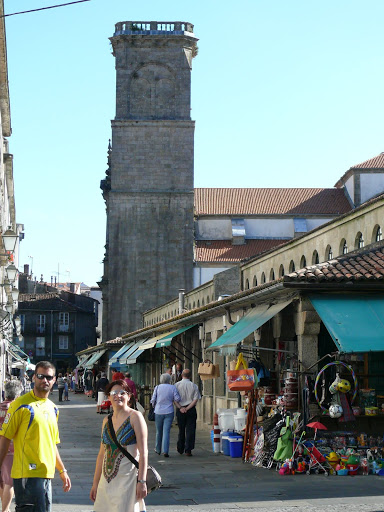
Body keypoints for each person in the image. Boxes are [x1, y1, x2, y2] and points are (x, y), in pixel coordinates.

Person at [0, 361, 71, 512]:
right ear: (33, 378)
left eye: (48, 377)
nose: (44, 380)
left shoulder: (53, 408)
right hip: (26, 474)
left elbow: (52, 444)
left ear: (54, 380)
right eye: (40, 376)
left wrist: (62, 470)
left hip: (46, 475)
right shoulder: (19, 405)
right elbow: (5, 438)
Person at [90, 380, 148, 512]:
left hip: (127, 481)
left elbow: (144, 453)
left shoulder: (135, 417)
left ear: (129, 396)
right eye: (114, 393)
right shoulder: (106, 421)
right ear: (108, 397)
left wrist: (142, 482)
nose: (118, 396)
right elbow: (101, 454)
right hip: (106, 483)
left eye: (122, 392)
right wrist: (95, 483)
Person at [0, 380, 22, 512]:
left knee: (2, 481)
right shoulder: (16, 409)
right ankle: (5, 509)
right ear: (18, 394)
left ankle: (5, 509)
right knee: (9, 482)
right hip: (10, 449)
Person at [150, 373, 181, 458]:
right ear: (169, 379)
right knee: (166, 432)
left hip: (158, 411)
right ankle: (165, 451)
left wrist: (154, 405)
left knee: (158, 431)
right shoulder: (172, 387)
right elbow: (177, 399)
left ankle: (158, 449)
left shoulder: (157, 387)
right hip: (169, 411)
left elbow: (153, 400)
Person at [175, 369, 201, 456]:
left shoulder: (176, 385)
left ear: (182, 375)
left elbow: (174, 399)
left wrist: (181, 408)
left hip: (180, 409)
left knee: (181, 429)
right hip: (191, 409)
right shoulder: (194, 386)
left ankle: (180, 448)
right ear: (190, 376)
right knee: (190, 429)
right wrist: (188, 408)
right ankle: (188, 449)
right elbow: (195, 399)